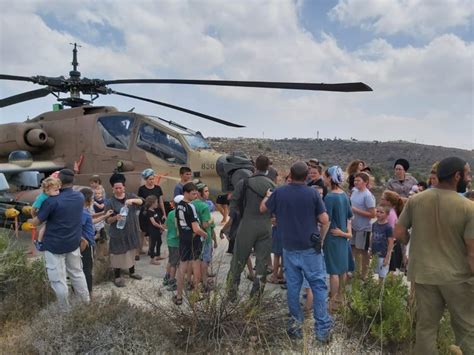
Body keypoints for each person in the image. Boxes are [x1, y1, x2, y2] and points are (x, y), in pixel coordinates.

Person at [394, 157, 474, 354]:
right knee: (467, 328)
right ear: (457, 176)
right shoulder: (468, 208)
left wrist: (412, 242)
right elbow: (472, 251)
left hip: (423, 274)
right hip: (457, 278)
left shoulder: (416, 200)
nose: (469, 178)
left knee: (426, 327)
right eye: (467, 173)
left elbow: (399, 233)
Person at [260, 161, 332, 342]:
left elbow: (263, 209)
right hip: (310, 248)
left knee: (293, 286)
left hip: (289, 247)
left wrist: (267, 196)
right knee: (318, 285)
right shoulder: (313, 194)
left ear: (290, 175)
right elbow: (324, 220)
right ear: (307, 176)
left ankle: (296, 326)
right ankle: (322, 330)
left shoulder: (279, 192)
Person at [28, 169, 90, 308]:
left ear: (59, 182)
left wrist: (30, 219)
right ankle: (85, 304)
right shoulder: (79, 197)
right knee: (77, 273)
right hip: (73, 242)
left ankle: (64, 310)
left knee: (58, 280)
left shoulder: (51, 201)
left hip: (54, 245)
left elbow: (38, 221)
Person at [227, 155, 276, 300]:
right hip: (266, 226)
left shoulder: (244, 183)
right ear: (268, 167)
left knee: (238, 260)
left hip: (247, 224)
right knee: (262, 263)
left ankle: (232, 293)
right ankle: (256, 297)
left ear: (254, 166)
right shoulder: (272, 186)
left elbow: (233, 206)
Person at [322, 166, 353, 312]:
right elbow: (349, 217)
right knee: (343, 269)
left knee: (333, 271)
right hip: (342, 237)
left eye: (325, 176)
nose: (324, 178)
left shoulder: (330, 197)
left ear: (330, 178)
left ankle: (332, 302)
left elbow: (326, 221)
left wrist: (321, 239)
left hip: (332, 236)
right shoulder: (345, 195)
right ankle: (341, 297)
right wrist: (346, 233)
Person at [105, 173, 143, 287]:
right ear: (112, 188)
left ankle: (132, 272)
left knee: (131, 251)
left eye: (120, 188)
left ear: (124, 187)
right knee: (117, 254)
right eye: (116, 188)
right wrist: (116, 218)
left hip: (131, 231)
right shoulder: (110, 202)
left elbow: (142, 201)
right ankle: (117, 276)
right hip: (118, 233)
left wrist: (132, 201)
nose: (118, 190)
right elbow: (107, 220)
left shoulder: (130, 196)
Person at [173, 182, 208, 305]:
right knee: (195, 264)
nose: (195, 195)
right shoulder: (190, 206)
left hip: (183, 239)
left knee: (182, 267)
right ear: (186, 193)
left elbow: (177, 223)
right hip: (193, 239)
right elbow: (196, 228)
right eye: (193, 193)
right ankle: (196, 293)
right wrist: (205, 234)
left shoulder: (178, 206)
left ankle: (178, 296)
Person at [79, 188, 113, 295]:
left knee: (83, 268)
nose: (94, 200)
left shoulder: (82, 210)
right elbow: (77, 227)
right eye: (92, 198)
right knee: (87, 269)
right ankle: (88, 293)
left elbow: (91, 220)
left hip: (86, 243)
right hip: (87, 245)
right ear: (88, 199)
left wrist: (104, 215)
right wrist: (83, 240)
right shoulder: (83, 212)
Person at [350, 172, 376, 279]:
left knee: (363, 251)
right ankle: (355, 271)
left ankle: (364, 275)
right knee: (353, 249)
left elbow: (372, 214)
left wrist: (355, 210)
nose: (356, 183)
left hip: (364, 228)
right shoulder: (354, 191)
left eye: (358, 181)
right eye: (355, 180)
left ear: (365, 182)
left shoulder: (368, 195)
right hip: (353, 226)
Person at [138, 168, 166, 260]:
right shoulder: (141, 189)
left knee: (152, 232)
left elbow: (161, 202)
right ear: (146, 179)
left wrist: (164, 213)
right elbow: (139, 201)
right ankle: (139, 249)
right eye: (150, 179)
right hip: (145, 213)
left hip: (156, 212)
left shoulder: (158, 188)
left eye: (153, 179)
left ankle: (151, 250)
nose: (152, 181)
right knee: (143, 231)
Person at [192, 182, 215, 291]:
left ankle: (197, 280)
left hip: (195, 236)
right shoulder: (205, 206)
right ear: (200, 193)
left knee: (197, 259)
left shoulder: (191, 204)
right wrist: (211, 220)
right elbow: (206, 224)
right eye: (205, 191)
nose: (208, 193)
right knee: (205, 260)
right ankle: (204, 283)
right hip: (205, 236)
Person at [31, 176, 61, 250]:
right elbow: (33, 209)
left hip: (50, 213)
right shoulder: (41, 198)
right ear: (47, 191)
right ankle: (39, 241)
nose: (58, 192)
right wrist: (34, 217)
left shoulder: (53, 195)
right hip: (42, 214)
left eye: (58, 190)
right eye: (56, 190)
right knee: (44, 227)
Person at [380, 190, 406, 272]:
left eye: (383, 199)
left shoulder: (390, 214)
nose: (381, 200)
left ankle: (389, 285)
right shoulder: (390, 212)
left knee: (390, 269)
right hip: (390, 243)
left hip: (391, 244)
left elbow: (390, 233)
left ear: (388, 202)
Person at [369, 205, 394, 282]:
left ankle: (380, 291)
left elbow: (391, 242)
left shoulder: (388, 227)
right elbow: (372, 236)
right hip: (374, 253)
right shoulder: (374, 224)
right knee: (374, 272)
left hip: (383, 255)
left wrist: (387, 257)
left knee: (382, 275)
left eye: (381, 212)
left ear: (387, 215)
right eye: (377, 211)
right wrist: (370, 248)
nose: (378, 214)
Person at [163, 195, 182, 291]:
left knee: (171, 261)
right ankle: (171, 281)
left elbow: (165, 226)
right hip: (176, 241)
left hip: (170, 240)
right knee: (175, 263)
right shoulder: (179, 215)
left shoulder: (170, 213)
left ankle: (166, 278)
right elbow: (179, 231)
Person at [144, 195, 165, 265]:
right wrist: (161, 227)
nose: (157, 204)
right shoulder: (149, 212)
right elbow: (153, 223)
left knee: (159, 242)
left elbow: (157, 220)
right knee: (153, 244)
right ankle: (152, 259)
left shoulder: (154, 211)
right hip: (153, 230)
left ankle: (158, 255)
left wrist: (160, 226)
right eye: (156, 202)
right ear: (152, 203)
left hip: (157, 230)